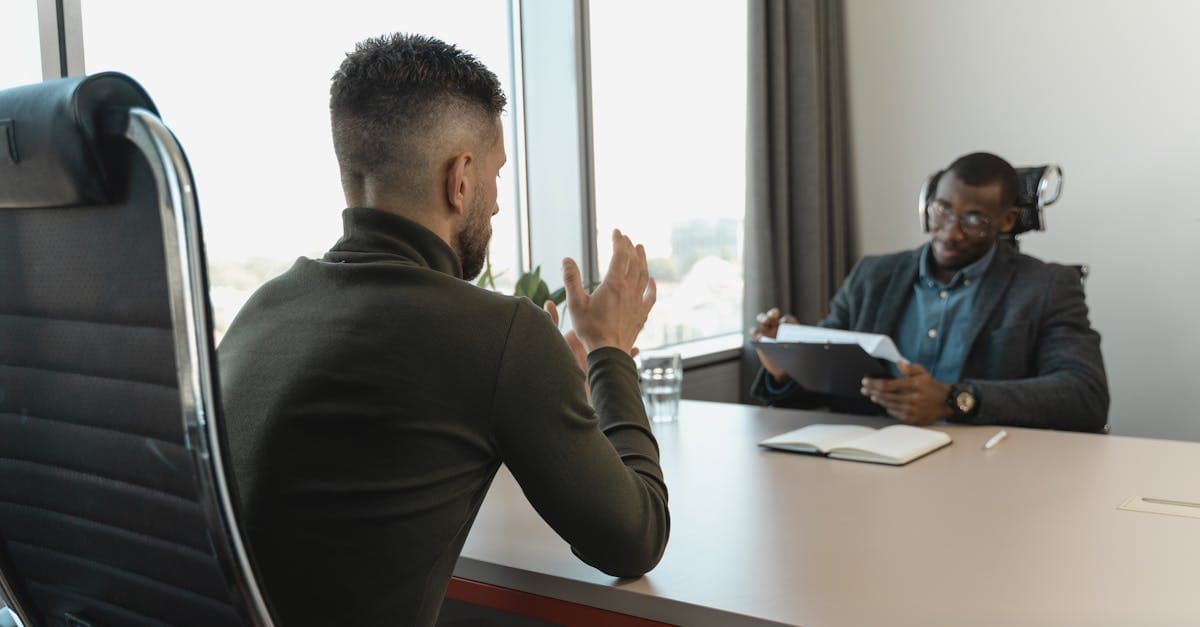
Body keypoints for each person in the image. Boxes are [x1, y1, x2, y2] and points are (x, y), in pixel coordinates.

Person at [218, 34, 668, 627]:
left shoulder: (261, 311)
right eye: (496, 174)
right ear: (460, 179)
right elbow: (635, 539)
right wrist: (610, 350)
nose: (498, 204)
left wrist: (546, 380)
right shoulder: (497, 332)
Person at [751, 152, 1109, 433]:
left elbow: (1085, 396)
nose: (950, 233)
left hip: (990, 469)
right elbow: (826, 383)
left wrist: (955, 400)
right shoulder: (872, 276)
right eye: (942, 211)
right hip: (871, 464)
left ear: (1007, 220)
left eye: (973, 219)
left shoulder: (1046, 286)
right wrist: (787, 363)